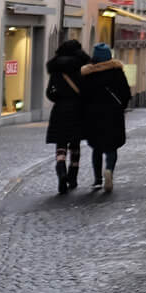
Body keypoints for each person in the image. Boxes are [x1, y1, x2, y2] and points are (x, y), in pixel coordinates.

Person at [81, 42, 132, 192]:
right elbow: (126, 94)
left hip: (93, 115)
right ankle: (109, 169)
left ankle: (97, 179)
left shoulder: (88, 74)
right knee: (112, 145)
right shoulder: (117, 72)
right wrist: (120, 107)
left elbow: (83, 96)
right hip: (113, 114)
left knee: (96, 147)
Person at [44, 39, 88, 194]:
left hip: (60, 110)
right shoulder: (82, 67)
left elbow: (50, 92)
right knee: (75, 144)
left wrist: (59, 99)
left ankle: (61, 170)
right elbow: (87, 90)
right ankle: (73, 176)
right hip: (78, 109)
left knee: (61, 142)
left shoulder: (56, 69)